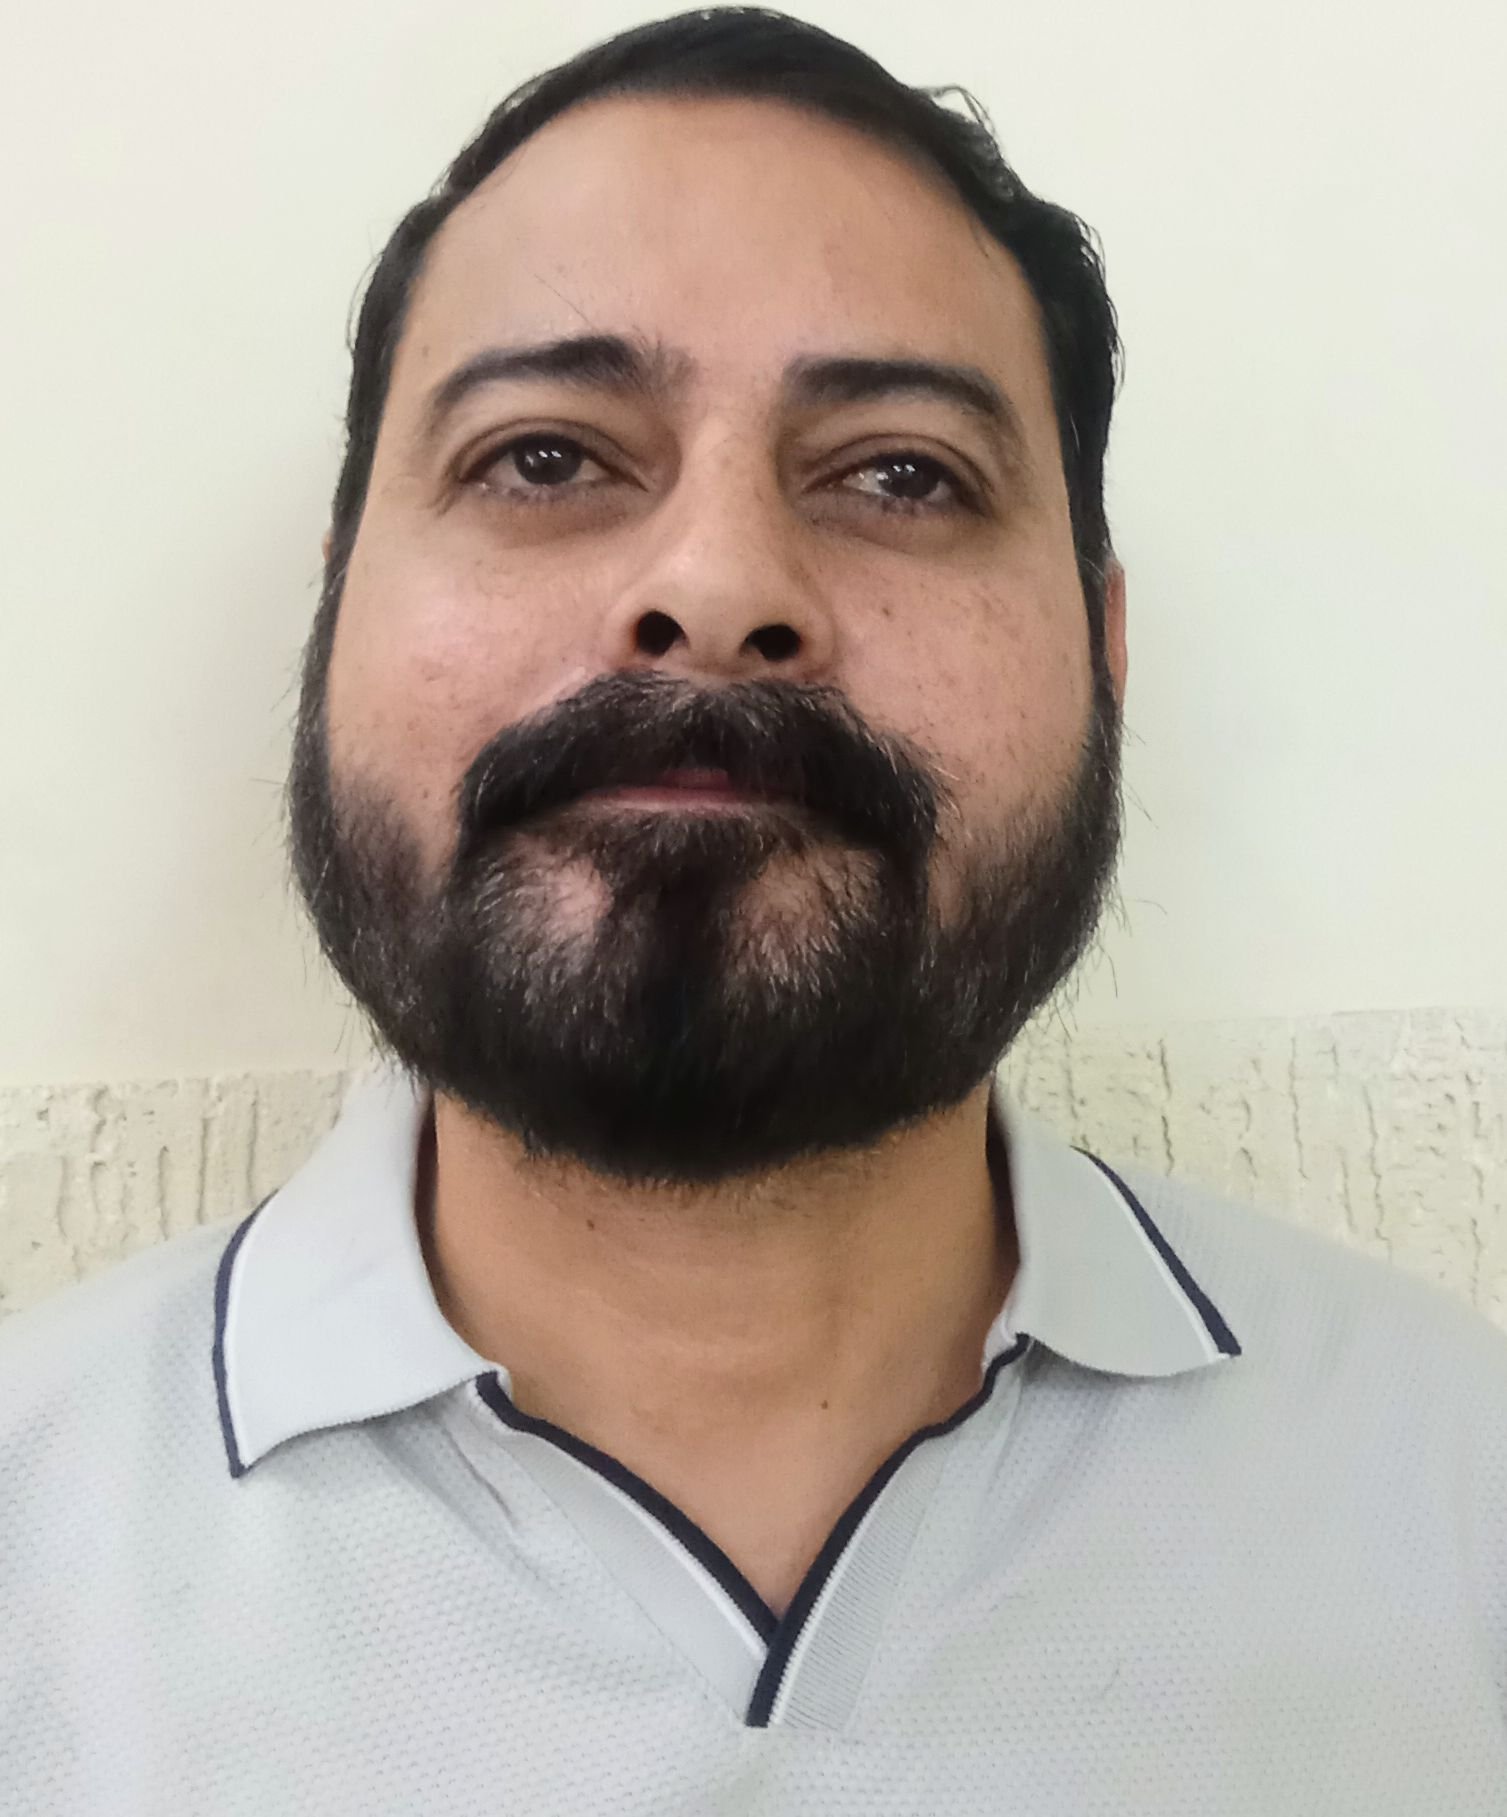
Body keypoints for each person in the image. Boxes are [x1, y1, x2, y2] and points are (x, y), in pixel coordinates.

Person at [4, 9, 1505, 1812]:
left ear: (1105, 649)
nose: (717, 586)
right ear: (336, 617)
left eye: (902, 472)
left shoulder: (1461, 1499)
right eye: (545, 457)